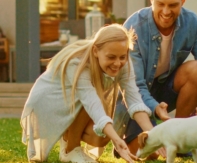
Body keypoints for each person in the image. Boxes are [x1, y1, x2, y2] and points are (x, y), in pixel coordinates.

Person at [119, 0, 197, 157]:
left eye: (173, 5)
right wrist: (154, 109)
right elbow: (135, 86)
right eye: (160, 4)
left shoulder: (192, 23)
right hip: (135, 98)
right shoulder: (133, 27)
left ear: (183, 0)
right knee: (150, 154)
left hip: (165, 90)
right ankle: (142, 137)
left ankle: (181, 138)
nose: (166, 12)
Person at [21, 24, 153, 163]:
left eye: (122, 56)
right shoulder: (78, 63)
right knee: (93, 104)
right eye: (111, 57)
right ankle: (71, 149)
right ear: (96, 51)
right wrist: (117, 140)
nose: (117, 63)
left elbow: (134, 100)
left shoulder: (123, 63)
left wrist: (155, 136)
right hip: (49, 102)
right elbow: (91, 103)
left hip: (75, 103)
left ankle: (67, 143)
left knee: (101, 137)